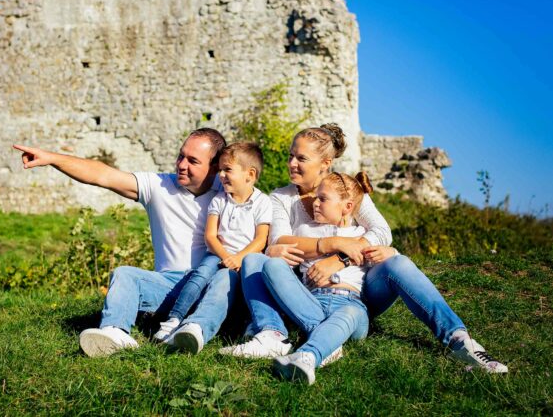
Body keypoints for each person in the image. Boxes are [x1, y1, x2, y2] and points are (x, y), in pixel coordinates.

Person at [222, 124, 508, 374]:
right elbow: (281, 242)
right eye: (290, 156)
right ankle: (291, 336)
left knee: (399, 263)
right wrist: (331, 243)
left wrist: (341, 259)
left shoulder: (347, 190)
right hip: (308, 289)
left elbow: (381, 232)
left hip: (358, 291)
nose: (291, 163)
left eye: (301, 158)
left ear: (325, 163)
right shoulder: (282, 199)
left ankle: (459, 340)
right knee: (265, 260)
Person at [13, 128, 227, 357]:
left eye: (193, 161)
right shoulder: (159, 186)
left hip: (211, 285)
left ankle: (199, 330)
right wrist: (53, 158)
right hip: (170, 285)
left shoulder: (229, 194)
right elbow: (102, 175)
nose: (182, 164)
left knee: (226, 278)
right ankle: (114, 332)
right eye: (180, 156)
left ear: (214, 167)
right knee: (125, 274)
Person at [265, 171, 395, 384]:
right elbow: (280, 247)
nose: (314, 203)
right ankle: (329, 343)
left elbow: (385, 259)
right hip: (312, 301)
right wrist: (272, 250)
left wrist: (393, 252)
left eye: (322, 199)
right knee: (272, 266)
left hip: (351, 303)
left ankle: (308, 355)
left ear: (348, 207)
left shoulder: (361, 235)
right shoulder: (305, 230)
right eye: (316, 197)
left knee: (350, 313)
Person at [158, 142, 272, 353]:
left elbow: (261, 239)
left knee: (249, 287)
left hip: (245, 259)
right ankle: (173, 320)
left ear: (250, 174)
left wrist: (238, 258)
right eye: (220, 169)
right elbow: (210, 236)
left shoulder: (262, 202)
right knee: (199, 277)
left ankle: (250, 327)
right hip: (217, 254)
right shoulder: (219, 200)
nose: (221, 175)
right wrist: (226, 256)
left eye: (227, 170)